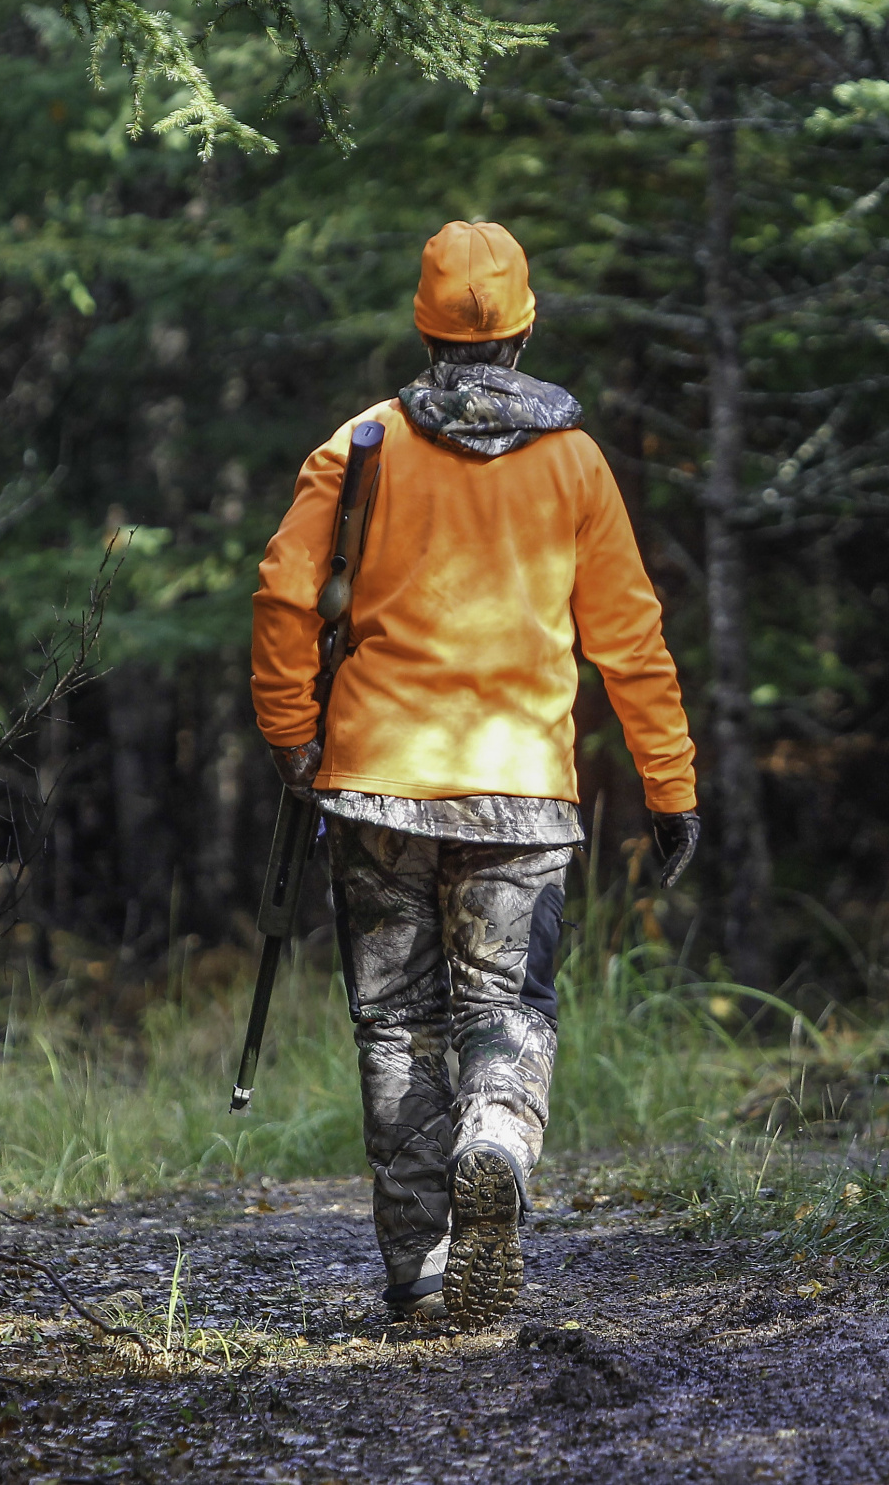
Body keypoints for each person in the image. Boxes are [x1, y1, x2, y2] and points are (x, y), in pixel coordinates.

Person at [251, 220, 701, 1326]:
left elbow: (281, 594)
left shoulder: (355, 447)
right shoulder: (577, 459)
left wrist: (290, 733)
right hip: (521, 789)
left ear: (421, 323)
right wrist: (669, 784)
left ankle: (422, 1268)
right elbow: (629, 637)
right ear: (523, 326)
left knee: (395, 1024)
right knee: (506, 1005)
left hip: (375, 782)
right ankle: (496, 1135)